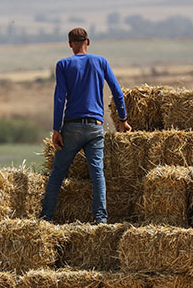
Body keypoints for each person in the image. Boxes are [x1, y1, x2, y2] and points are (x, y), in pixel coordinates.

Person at [41, 27, 132, 224]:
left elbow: (59, 98)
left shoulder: (63, 64)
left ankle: (46, 218)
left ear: (70, 44)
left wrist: (56, 129)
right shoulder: (101, 61)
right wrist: (123, 119)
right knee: (97, 173)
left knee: (58, 173)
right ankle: (101, 219)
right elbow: (117, 91)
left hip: (71, 127)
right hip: (95, 127)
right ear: (88, 42)